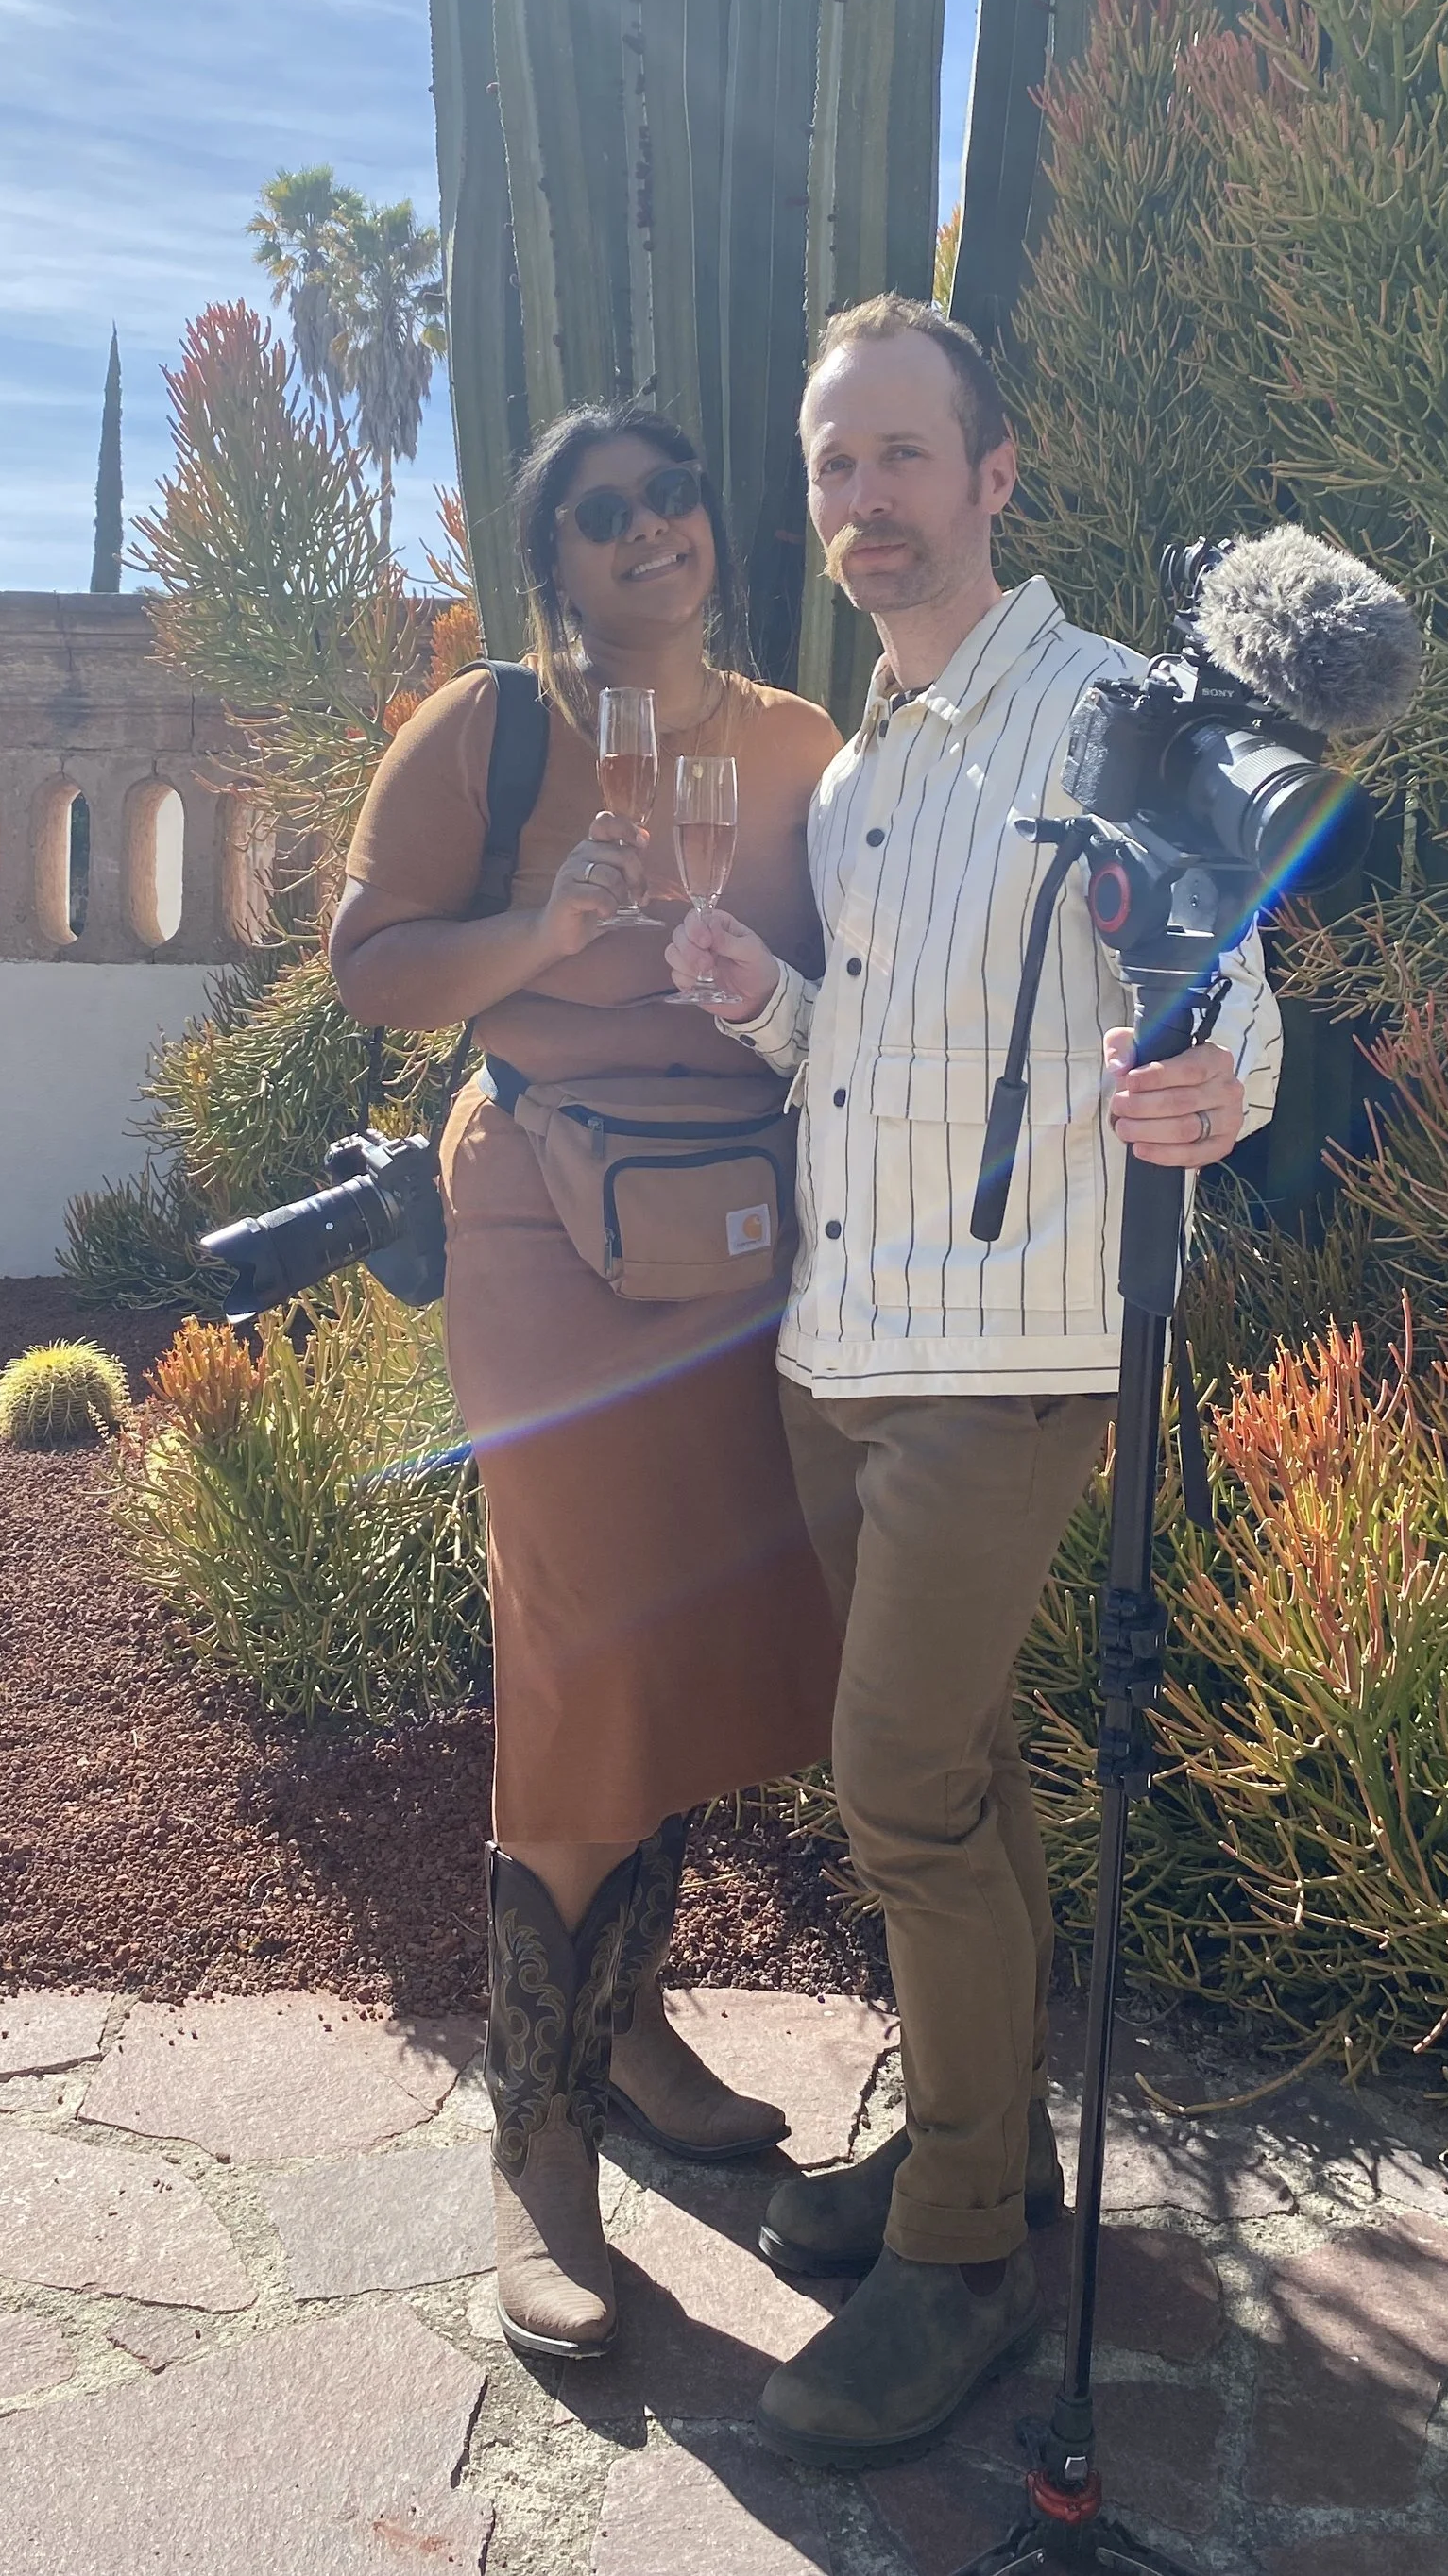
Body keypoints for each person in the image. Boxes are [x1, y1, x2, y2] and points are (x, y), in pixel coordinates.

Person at [668, 296, 1284, 2466]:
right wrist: (765, 1003)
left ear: (992, 473)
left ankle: (957, 2256)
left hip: (1003, 1369)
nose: (860, 504)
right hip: (836, 1359)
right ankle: (987, 2150)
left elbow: (1227, 988)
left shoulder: (1110, 714)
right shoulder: (850, 783)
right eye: (833, 467)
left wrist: (1214, 1078)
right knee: (962, 1784)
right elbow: (878, 1058)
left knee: (901, 1789)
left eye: (899, 458)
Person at [329, 404, 844, 2364]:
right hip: (544, 1220)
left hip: (733, 1237)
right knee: (570, 1650)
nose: (651, 529)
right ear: (555, 563)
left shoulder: (800, 741)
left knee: (689, 1642)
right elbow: (367, 963)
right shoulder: (493, 734)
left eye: (673, 493)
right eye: (602, 514)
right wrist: (539, 931)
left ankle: (627, 2033)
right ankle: (534, 2161)